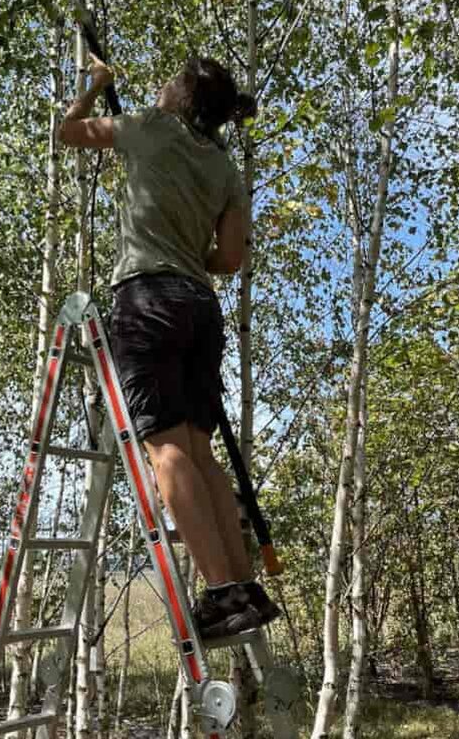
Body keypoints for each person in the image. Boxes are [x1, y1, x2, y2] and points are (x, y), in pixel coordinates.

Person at [58, 54, 280, 639]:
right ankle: (242, 587)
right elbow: (230, 259)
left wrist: (95, 86)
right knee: (200, 452)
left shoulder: (146, 128)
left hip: (148, 299)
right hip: (200, 309)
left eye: (164, 81)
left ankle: (222, 592)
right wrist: (188, 254)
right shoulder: (224, 168)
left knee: (166, 450)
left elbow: (67, 133)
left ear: (178, 97)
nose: (154, 86)